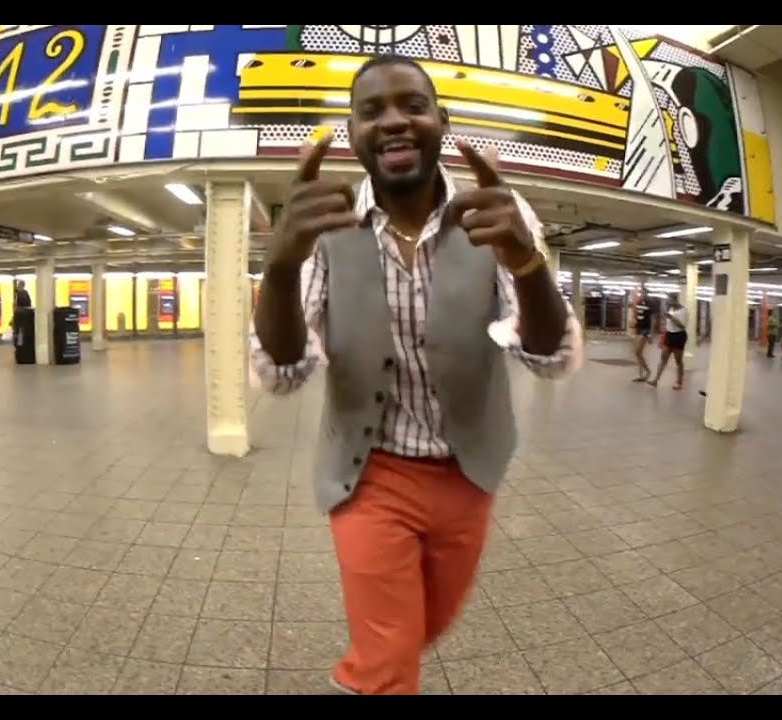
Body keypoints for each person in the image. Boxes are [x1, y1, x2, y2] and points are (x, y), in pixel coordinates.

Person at [249, 54, 581, 695]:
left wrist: (527, 260)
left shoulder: (498, 213)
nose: (394, 121)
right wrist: (282, 268)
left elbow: (550, 355)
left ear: (442, 121)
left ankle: (371, 665)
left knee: (429, 622)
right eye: (371, 111)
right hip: (366, 472)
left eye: (414, 105)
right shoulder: (325, 226)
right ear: (353, 134)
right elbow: (282, 372)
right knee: (392, 656)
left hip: (470, 471)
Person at [648, 293, 687, 390]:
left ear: (675, 300)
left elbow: (682, 326)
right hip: (669, 335)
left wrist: (672, 318)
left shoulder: (683, 311)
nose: (668, 302)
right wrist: (662, 338)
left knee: (678, 360)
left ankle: (679, 382)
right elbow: (668, 325)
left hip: (679, 335)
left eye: (669, 300)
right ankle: (655, 380)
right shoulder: (671, 309)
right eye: (668, 300)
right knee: (663, 359)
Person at [631, 290, 653, 381]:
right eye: (641, 293)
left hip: (645, 330)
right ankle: (640, 375)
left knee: (638, 352)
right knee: (638, 353)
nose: (642, 295)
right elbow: (636, 315)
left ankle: (647, 371)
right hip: (638, 328)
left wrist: (650, 334)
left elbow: (652, 318)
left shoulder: (649, 303)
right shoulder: (639, 302)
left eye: (644, 293)